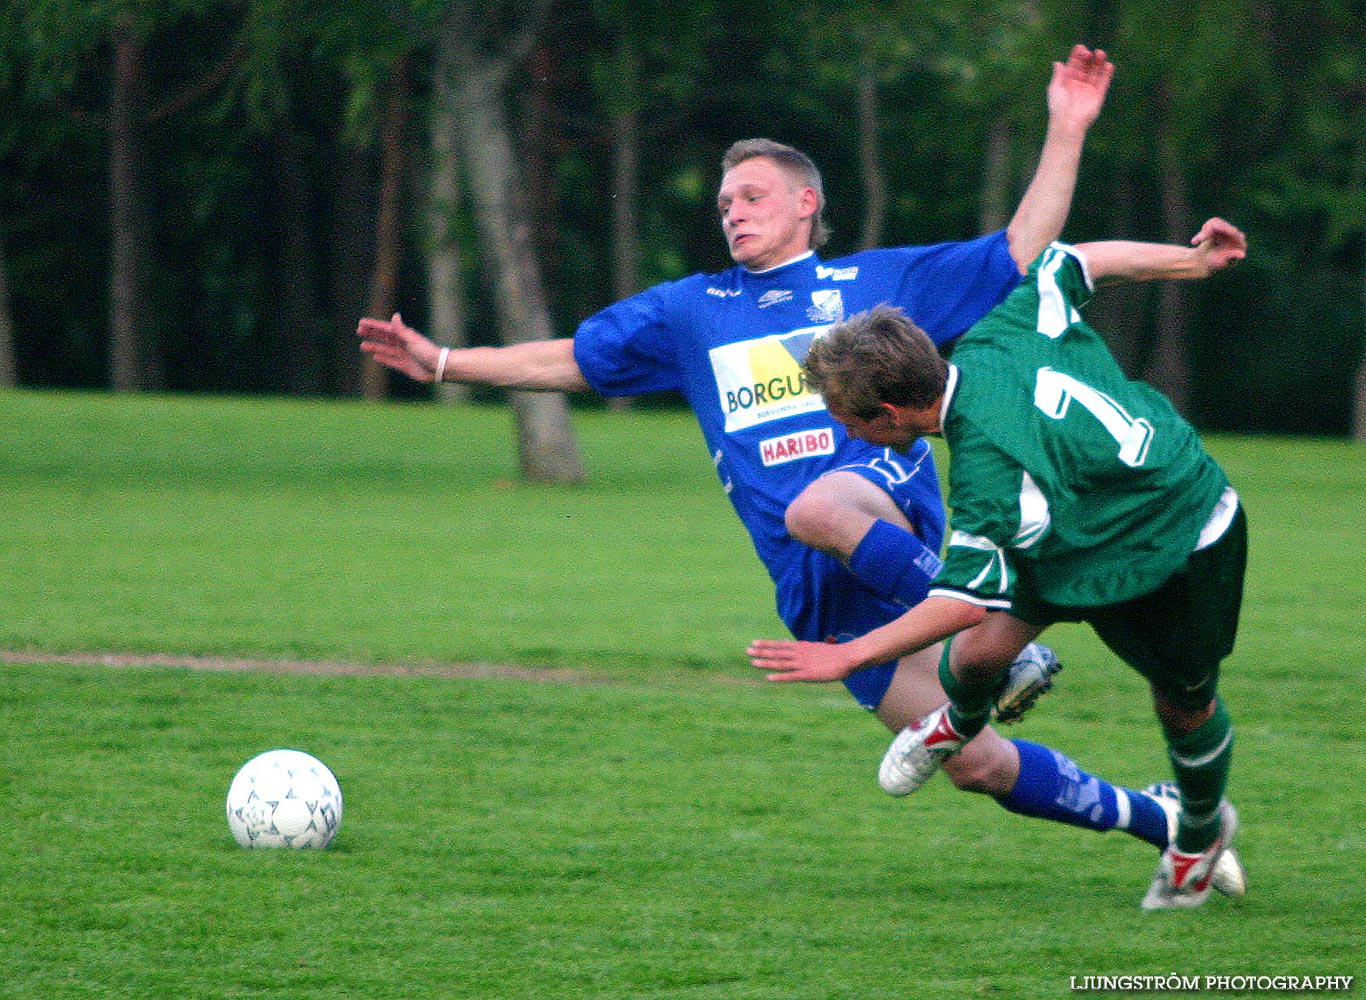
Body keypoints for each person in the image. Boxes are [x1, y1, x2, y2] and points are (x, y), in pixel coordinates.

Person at [360, 46, 1239, 886]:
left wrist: (1068, 129)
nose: (733, 211)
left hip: (877, 502)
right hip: (814, 589)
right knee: (976, 766)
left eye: (750, 195)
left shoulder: (876, 284)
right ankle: (1164, 822)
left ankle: (992, 640)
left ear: (807, 202)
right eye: (724, 204)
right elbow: (570, 361)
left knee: (816, 505)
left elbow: (1025, 249)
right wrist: (443, 362)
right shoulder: (691, 311)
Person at [746, 218, 1249, 909]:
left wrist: (848, 657)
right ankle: (956, 721)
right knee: (978, 658)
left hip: (1174, 532)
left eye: (850, 420)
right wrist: (1189, 264)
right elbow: (1077, 260)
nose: (845, 433)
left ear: (892, 412)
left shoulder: (987, 466)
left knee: (1184, 704)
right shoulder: (999, 329)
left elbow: (961, 599)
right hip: (1073, 520)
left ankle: (1196, 833)